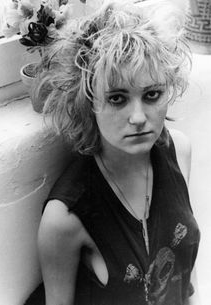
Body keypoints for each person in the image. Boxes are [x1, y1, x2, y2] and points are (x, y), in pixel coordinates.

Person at [29, 0, 201, 304]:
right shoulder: (65, 217)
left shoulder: (178, 150)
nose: (138, 117)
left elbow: (185, 262)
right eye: (118, 98)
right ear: (88, 101)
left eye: (151, 95)